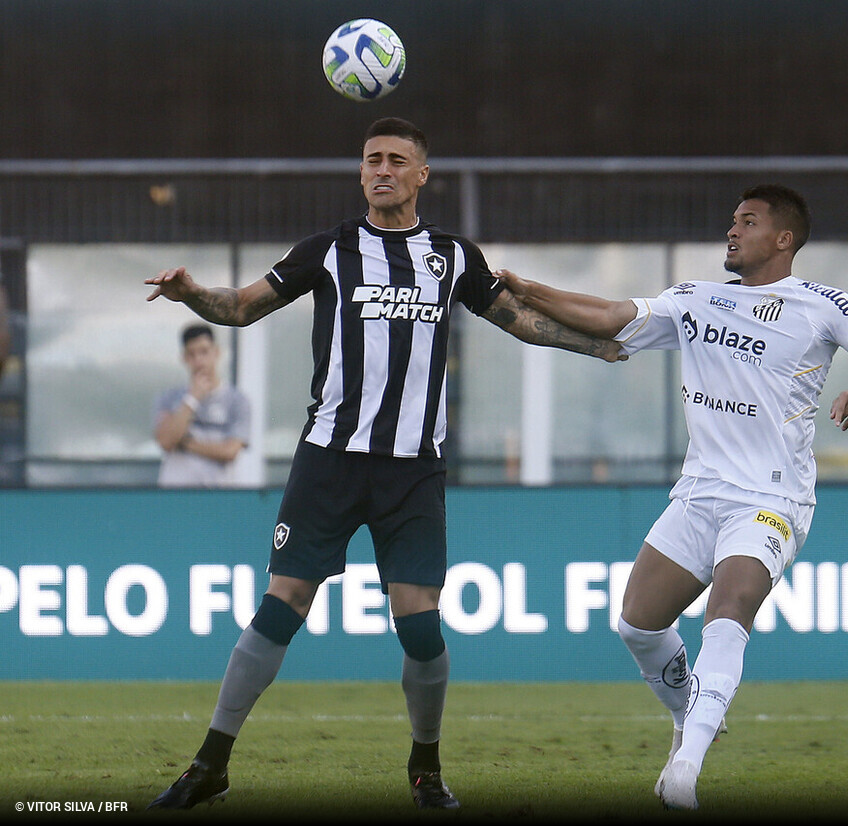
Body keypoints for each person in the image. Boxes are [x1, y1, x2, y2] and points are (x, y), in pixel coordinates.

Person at [143, 117, 624, 812]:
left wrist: (593, 346)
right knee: (281, 608)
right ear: (361, 172)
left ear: (422, 174)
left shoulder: (453, 257)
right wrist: (192, 294)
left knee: (420, 626)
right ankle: (210, 764)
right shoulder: (329, 250)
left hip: (412, 470)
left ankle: (425, 770)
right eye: (372, 159)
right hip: (329, 460)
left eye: (398, 160)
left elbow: (518, 318)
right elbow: (243, 307)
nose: (383, 169)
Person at [497, 184, 848, 810]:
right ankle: (692, 715)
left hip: (771, 498)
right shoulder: (694, 299)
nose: (732, 230)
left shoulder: (826, 305)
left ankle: (684, 771)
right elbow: (611, 316)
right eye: (732, 220)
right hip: (699, 492)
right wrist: (528, 289)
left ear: (784, 239)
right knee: (637, 625)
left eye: (747, 222)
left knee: (729, 609)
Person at [152, 323, 252, 487]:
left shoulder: (237, 401)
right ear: (184, 358)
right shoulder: (169, 398)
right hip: (175, 495)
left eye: (204, 352)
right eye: (192, 354)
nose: (199, 361)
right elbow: (166, 441)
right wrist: (192, 399)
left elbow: (230, 451)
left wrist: (185, 443)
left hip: (217, 496)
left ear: (216, 353)